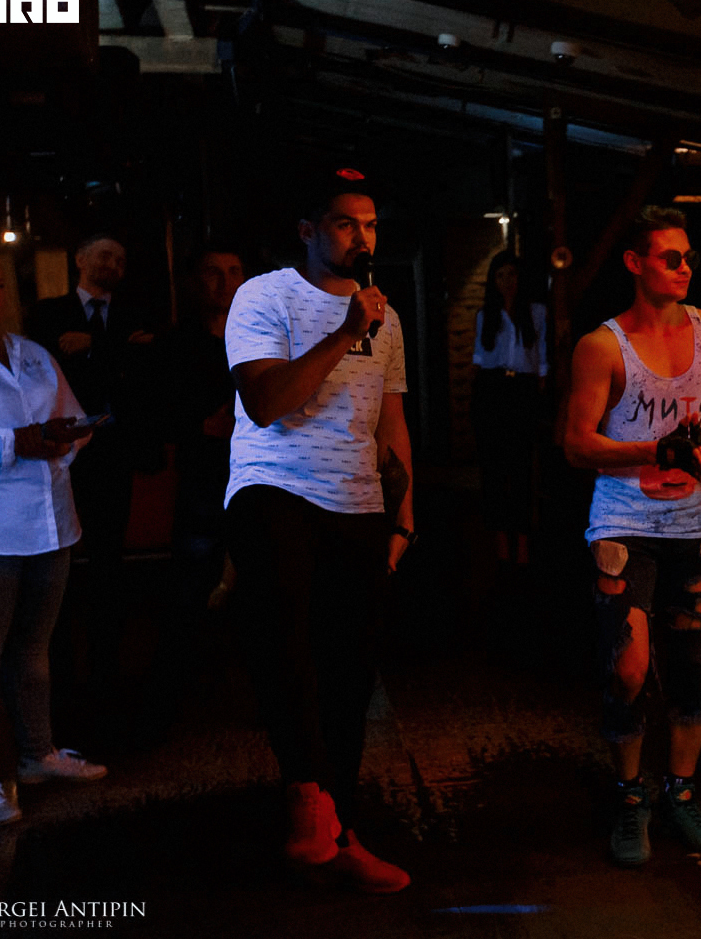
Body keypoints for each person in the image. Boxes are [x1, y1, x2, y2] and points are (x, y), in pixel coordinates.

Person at [224, 169, 414, 893]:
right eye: (344, 223)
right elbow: (266, 402)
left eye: (370, 223)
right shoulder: (264, 296)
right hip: (274, 487)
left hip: (358, 500)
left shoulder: (387, 317)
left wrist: (405, 510)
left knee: (351, 670)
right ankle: (306, 795)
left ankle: (343, 828)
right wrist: (345, 333)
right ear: (307, 231)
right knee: (287, 641)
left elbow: (391, 419)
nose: (362, 237)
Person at [564, 205, 701, 867]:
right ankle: (630, 795)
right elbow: (577, 443)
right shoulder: (602, 346)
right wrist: (654, 450)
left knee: (695, 669)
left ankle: (680, 793)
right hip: (624, 522)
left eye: (689, 258)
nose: (683, 269)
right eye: (670, 258)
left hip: (697, 523)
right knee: (628, 668)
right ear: (635, 263)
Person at [0, 250, 106, 824]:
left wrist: (67, 438)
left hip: (51, 518)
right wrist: (12, 442)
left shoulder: (31, 353)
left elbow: (73, 417)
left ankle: (37, 753)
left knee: (34, 648)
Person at [25, 232, 157, 717]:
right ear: (80, 259)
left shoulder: (133, 317)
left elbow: (148, 367)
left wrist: (97, 344)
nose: (113, 265)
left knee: (108, 558)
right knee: (57, 557)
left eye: (120, 259)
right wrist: (119, 350)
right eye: (104, 255)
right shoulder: (49, 313)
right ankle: (57, 671)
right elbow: (42, 366)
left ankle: (106, 668)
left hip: (114, 451)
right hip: (63, 452)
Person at [141, 243, 246, 735]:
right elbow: (154, 411)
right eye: (213, 272)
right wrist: (201, 425)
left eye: (233, 272)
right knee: (192, 584)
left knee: (258, 582)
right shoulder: (176, 343)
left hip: (257, 476)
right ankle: (176, 698)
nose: (224, 283)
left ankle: (246, 690)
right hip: (204, 475)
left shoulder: (260, 336)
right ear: (195, 281)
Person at [471, 250, 547, 568]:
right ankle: (501, 537)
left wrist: (539, 394)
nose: (507, 281)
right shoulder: (485, 315)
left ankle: (523, 538)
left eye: (512, 274)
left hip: (523, 389)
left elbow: (542, 359)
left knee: (521, 467)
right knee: (493, 468)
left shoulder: (536, 312)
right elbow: (478, 359)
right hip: (492, 387)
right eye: (500, 275)